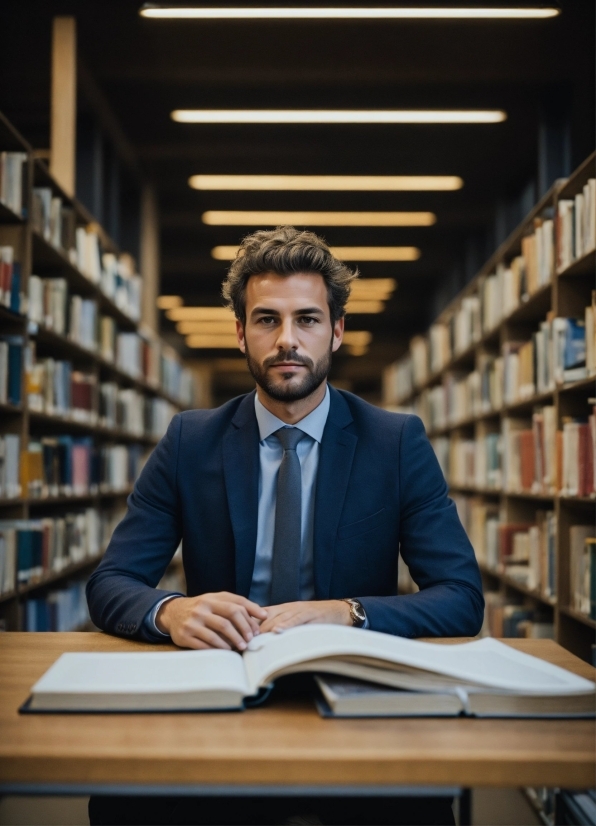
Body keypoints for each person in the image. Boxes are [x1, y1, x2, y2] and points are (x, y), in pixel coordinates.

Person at [86, 226, 484, 826]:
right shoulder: (191, 441)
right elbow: (112, 581)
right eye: (267, 320)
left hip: (352, 694)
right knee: (120, 805)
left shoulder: (395, 442)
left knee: (417, 810)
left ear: (337, 331)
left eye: (307, 319)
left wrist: (345, 611)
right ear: (241, 333)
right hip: (222, 687)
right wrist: (171, 611)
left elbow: (461, 599)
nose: (288, 341)